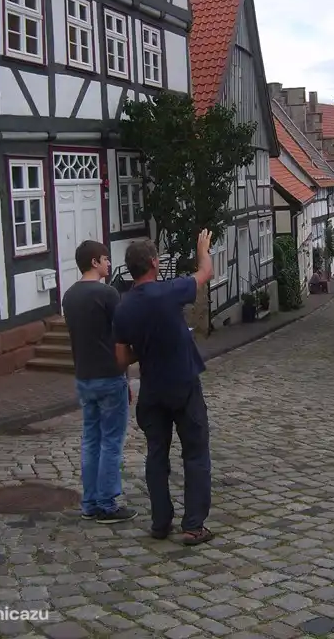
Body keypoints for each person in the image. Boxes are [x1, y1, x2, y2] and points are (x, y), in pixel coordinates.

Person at [113, 230, 214, 546]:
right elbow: (205, 273)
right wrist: (202, 248)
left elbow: (120, 359)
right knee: (195, 453)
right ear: (154, 263)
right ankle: (193, 526)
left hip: (152, 389)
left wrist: (143, 349)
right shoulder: (169, 292)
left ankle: (160, 522)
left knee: (156, 455)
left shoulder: (124, 306)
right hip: (183, 383)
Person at [62, 240, 137, 524]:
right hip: (109, 375)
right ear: (94, 262)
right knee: (111, 442)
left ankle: (90, 502)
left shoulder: (69, 296)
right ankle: (107, 503)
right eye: (105, 259)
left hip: (84, 376)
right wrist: (126, 376)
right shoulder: (108, 294)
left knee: (91, 440)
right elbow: (122, 334)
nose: (108, 263)